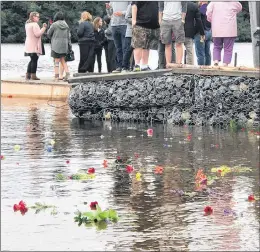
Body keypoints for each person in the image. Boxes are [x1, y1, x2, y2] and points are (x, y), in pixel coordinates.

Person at [206, 1, 242, 66]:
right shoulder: (234, 2)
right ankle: (225, 63)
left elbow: (208, 12)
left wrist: (212, 20)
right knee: (228, 48)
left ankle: (216, 61)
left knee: (216, 46)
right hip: (230, 29)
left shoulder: (213, 2)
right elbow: (239, 8)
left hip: (217, 28)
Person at [131, 1, 160, 71]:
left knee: (147, 46)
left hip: (153, 25)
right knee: (138, 45)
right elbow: (134, 5)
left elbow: (159, 8)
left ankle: (144, 65)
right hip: (141, 23)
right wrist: (134, 20)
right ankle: (137, 65)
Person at [106, 1, 129, 73]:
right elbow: (110, 14)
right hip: (114, 25)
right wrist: (108, 8)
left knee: (125, 47)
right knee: (118, 48)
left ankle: (125, 67)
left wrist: (122, 13)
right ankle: (119, 66)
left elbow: (132, 9)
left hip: (124, 24)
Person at [47, 11, 71, 81]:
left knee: (56, 61)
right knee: (63, 60)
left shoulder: (54, 25)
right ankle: (67, 74)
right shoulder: (66, 25)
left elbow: (48, 34)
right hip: (64, 46)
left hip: (55, 45)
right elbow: (68, 37)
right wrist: (70, 47)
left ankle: (56, 77)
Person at [24, 12, 47, 80]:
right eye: (37, 16)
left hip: (28, 44)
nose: (38, 18)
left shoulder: (27, 24)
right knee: (34, 60)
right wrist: (44, 28)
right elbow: (37, 34)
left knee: (32, 59)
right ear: (33, 17)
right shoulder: (35, 24)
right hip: (34, 45)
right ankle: (33, 75)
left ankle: (28, 75)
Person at [194, 1, 212, 66]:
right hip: (209, 32)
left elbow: (199, 21)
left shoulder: (201, 9)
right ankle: (208, 69)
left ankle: (201, 70)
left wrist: (196, 32)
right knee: (207, 53)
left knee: (200, 54)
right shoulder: (210, 9)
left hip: (201, 33)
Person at [122, 3, 135, 72]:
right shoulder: (131, 5)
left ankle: (134, 66)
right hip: (130, 32)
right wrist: (135, 21)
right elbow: (127, 17)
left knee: (138, 50)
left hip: (140, 31)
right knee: (128, 50)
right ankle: (124, 67)